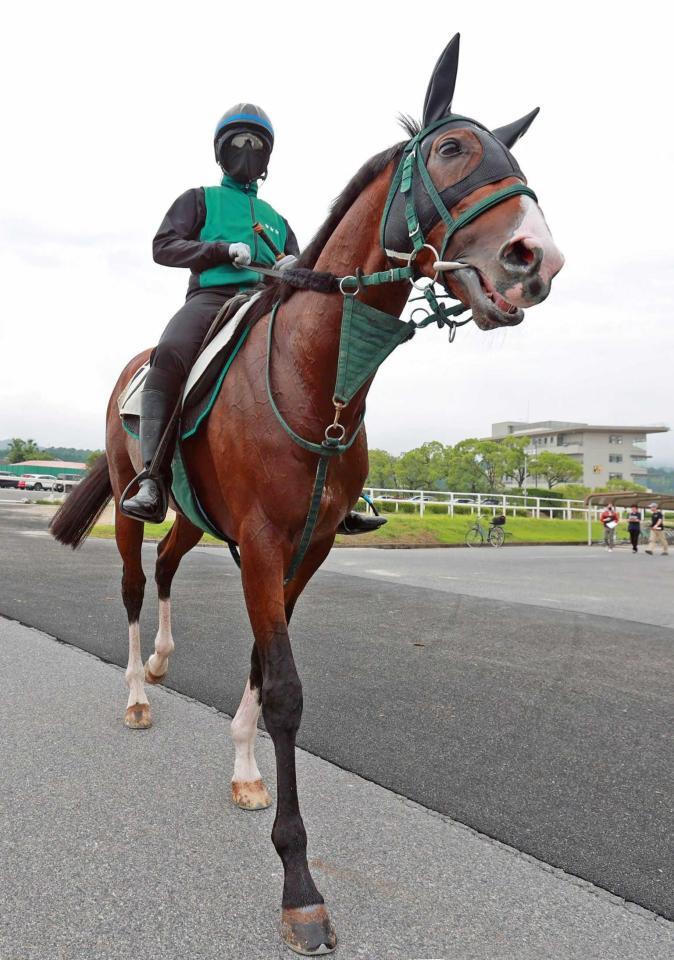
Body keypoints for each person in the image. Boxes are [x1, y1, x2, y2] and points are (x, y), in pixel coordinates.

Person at [121, 103, 385, 537]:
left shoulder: (278, 220)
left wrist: (292, 265)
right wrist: (219, 251)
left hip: (269, 301)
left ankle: (340, 495)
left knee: (331, 366)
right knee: (169, 354)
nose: (247, 151)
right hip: (212, 299)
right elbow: (163, 246)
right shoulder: (198, 200)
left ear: (266, 159)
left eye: (256, 145)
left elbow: (304, 272)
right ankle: (152, 476)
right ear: (221, 152)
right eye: (238, 143)